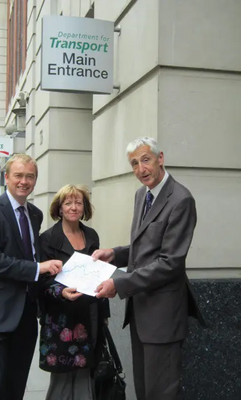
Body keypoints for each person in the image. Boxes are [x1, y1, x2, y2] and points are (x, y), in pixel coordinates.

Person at [93, 137, 206, 400]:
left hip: (163, 316)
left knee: (161, 392)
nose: (141, 169)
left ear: (160, 158)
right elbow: (144, 247)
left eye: (146, 160)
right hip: (141, 311)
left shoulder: (181, 199)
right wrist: (115, 254)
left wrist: (119, 284)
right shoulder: (141, 195)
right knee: (144, 390)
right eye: (134, 163)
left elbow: (170, 263)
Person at [0, 154, 63, 400]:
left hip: (26, 317)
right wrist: (37, 268)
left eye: (30, 176)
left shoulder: (35, 214)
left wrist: (62, 288)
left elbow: (32, 254)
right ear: (6, 178)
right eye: (18, 175)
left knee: (15, 388)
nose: (24, 181)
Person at [38, 184, 110, 400]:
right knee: (62, 379)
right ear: (59, 208)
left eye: (78, 202)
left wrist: (104, 315)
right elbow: (42, 281)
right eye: (68, 203)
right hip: (61, 319)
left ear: (84, 207)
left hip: (91, 314)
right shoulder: (47, 238)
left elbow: (99, 273)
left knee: (86, 372)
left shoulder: (91, 235)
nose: (73, 207)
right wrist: (61, 292)